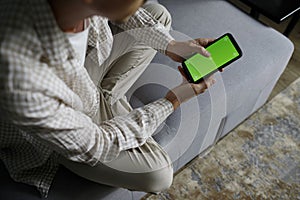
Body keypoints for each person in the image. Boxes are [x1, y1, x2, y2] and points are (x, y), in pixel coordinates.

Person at [0, 0, 217, 198]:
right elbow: (98, 144)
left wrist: (171, 46)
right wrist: (172, 101)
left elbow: (121, 11)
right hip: (59, 135)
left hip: (83, 79)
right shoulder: (21, 79)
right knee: (158, 175)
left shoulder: (76, 6)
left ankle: (109, 102)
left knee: (158, 15)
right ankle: (111, 109)